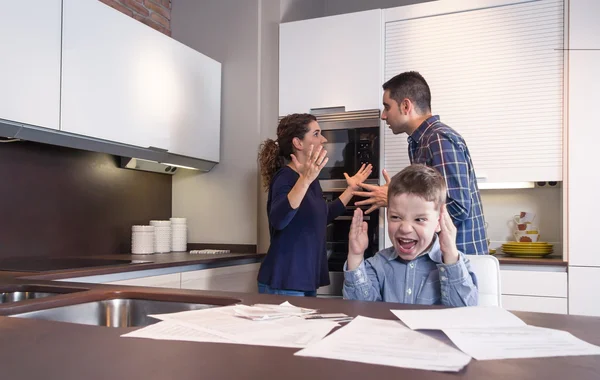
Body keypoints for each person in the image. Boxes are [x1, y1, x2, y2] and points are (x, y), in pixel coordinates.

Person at [354, 71, 488, 255]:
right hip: (442, 257)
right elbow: (431, 198)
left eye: (387, 107)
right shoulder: (420, 142)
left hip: (460, 258)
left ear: (406, 105)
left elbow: (457, 208)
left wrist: (398, 201)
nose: (384, 116)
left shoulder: (438, 139)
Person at [257, 113, 372, 296]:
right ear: (298, 143)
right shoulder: (285, 177)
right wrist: (305, 179)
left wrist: (350, 189)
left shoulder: (310, 180)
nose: (324, 139)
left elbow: (323, 215)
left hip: (305, 279)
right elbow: (278, 219)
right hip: (286, 280)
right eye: (316, 134)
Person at [343, 164, 478, 306]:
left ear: (439, 222)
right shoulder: (378, 264)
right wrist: (355, 256)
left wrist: (450, 254)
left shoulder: (457, 263)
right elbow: (360, 309)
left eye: (419, 219)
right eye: (396, 217)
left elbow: (464, 312)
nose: (405, 228)